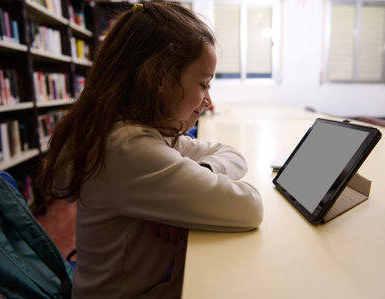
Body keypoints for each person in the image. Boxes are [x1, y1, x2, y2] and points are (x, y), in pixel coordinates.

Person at [36, 1, 263, 298]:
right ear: (160, 79)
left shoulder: (143, 132)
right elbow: (250, 207)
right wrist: (192, 190)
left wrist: (199, 176)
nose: (208, 101)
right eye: (203, 84)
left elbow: (231, 153)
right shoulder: (128, 150)